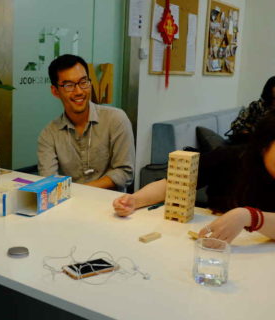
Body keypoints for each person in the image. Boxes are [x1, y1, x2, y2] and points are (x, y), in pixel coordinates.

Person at [113, 110, 275, 244]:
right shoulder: (231, 157)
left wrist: (249, 217)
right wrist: (135, 200)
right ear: (263, 146)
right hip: (211, 247)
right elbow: (173, 184)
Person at [37, 54, 135, 191]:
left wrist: (81, 191)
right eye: (69, 85)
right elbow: (49, 181)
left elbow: (125, 172)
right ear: (55, 91)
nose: (79, 91)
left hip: (112, 206)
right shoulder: (49, 134)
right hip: (69, 206)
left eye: (83, 82)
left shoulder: (116, 119)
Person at [226, 76, 275, 144]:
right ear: (268, 95)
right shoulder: (256, 106)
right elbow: (236, 124)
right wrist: (247, 133)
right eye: (273, 98)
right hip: (248, 144)